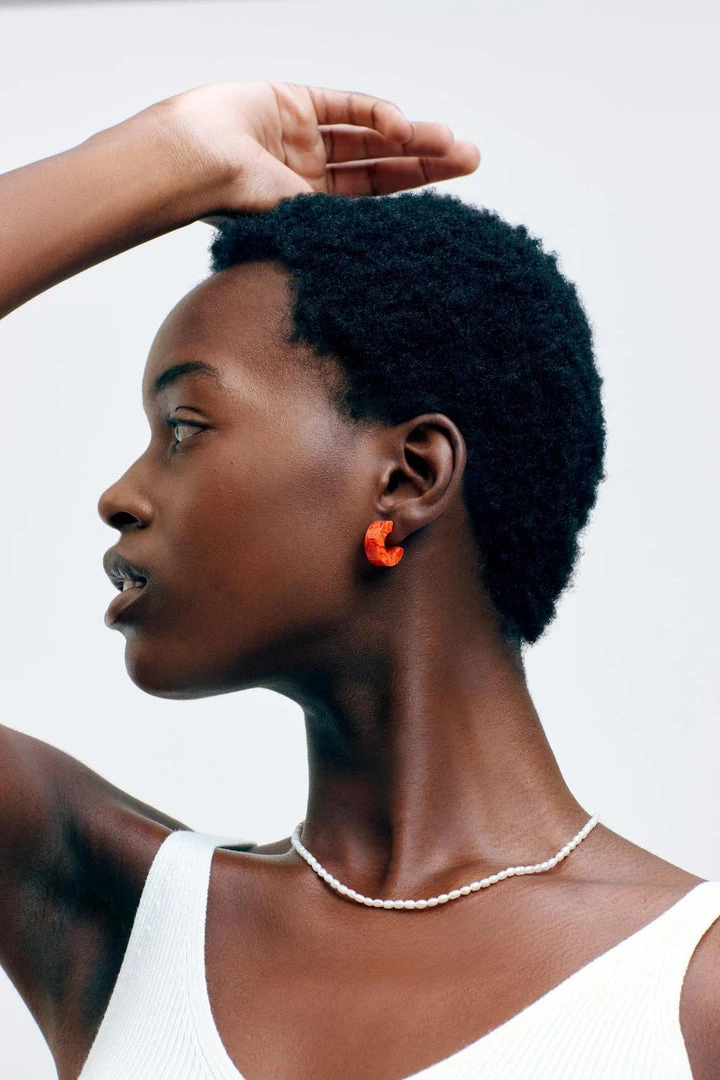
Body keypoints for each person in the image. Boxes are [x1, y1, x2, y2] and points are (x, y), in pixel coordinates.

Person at [0, 81, 717, 1080]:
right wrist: (167, 160)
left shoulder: (687, 997)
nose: (120, 495)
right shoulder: (105, 910)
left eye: (185, 428)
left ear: (409, 477)